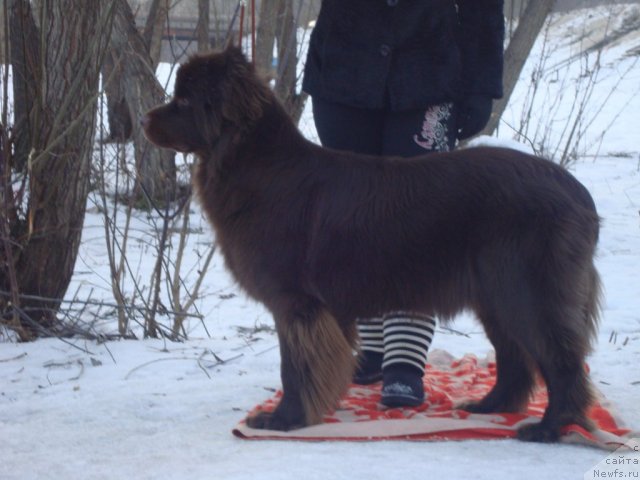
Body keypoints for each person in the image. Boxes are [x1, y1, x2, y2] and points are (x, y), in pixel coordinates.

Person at [302, 0, 505, 407]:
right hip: (344, 73)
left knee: (417, 221)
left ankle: (405, 363)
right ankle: (375, 348)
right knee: (357, 217)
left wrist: (482, 84)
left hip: (429, 76)